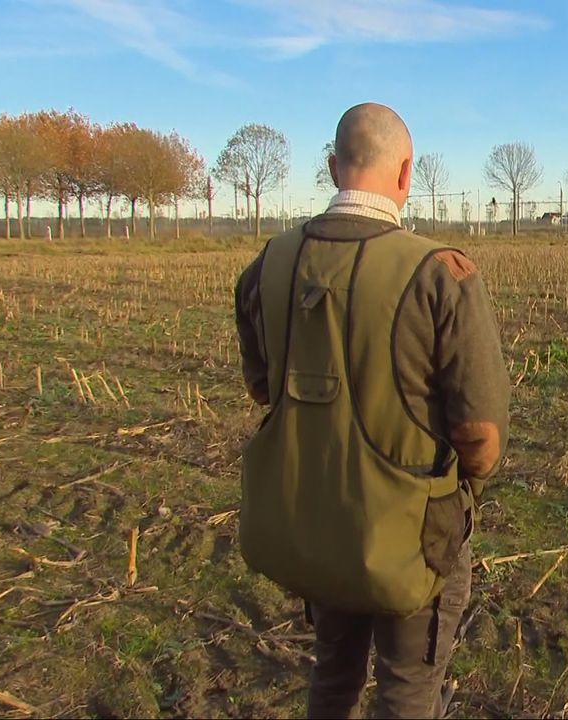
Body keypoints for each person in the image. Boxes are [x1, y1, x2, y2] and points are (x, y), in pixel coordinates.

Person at [233, 102, 510, 719]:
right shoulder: (441, 272)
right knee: (408, 687)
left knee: (332, 673)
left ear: (333, 168)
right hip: (410, 540)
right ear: (406, 172)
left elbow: (262, 388)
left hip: (312, 522)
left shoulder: (267, 264)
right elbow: (481, 438)